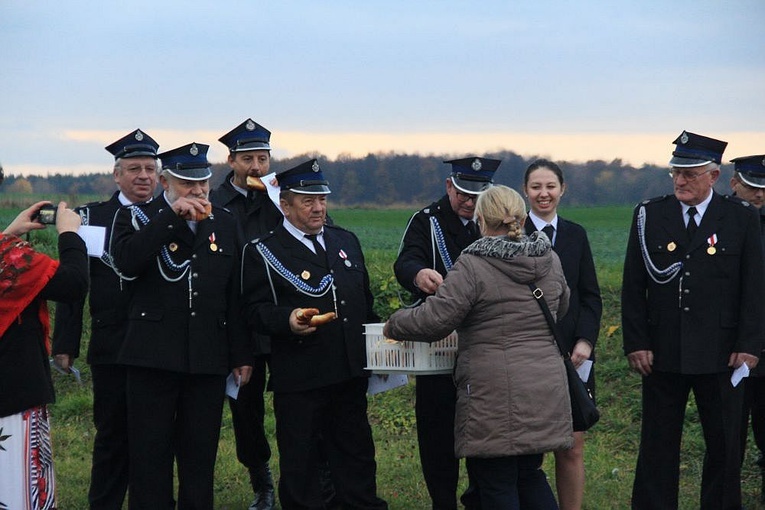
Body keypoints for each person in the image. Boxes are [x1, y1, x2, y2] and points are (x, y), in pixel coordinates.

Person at [385, 185, 572, 509]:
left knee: (496, 481)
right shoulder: (549, 258)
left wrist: (395, 323)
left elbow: (435, 321)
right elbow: (563, 305)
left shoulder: (474, 264)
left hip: (494, 393)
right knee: (529, 473)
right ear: (523, 216)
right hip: (544, 388)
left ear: (481, 220)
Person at [622, 131, 765, 509]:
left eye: (690, 174)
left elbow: (754, 289)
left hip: (722, 354)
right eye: (676, 173)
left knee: (724, 445)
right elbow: (634, 285)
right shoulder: (650, 214)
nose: (680, 181)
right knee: (657, 445)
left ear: (714, 176)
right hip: (663, 351)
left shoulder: (740, 217)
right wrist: (636, 342)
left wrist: (749, 346)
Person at [110, 142, 254, 509]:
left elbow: (235, 294)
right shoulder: (138, 218)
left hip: (206, 356)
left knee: (199, 455)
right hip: (151, 357)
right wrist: (172, 218)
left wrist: (241, 353)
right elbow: (127, 263)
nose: (198, 191)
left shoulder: (224, 221)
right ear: (164, 183)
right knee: (149, 454)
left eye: (203, 182)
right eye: (187, 183)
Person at [241, 159, 388, 510]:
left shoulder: (345, 242)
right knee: (302, 464)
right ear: (285, 205)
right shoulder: (263, 250)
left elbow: (363, 304)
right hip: (301, 378)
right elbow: (252, 311)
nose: (318, 207)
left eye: (322, 199)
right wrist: (287, 320)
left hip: (348, 376)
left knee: (356, 459)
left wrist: (382, 346)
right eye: (307, 201)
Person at [51, 128, 159, 510]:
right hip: (112, 341)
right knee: (112, 433)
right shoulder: (91, 218)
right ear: (117, 175)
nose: (143, 176)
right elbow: (73, 285)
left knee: (154, 436)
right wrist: (65, 344)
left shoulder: (171, 217)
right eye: (134, 168)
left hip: (160, 345)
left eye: (150, 168)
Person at [393, 156, 500, 510]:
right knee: (437, 430)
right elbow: (406, 259)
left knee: (483, 429)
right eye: (464, 195)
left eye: (477, 197)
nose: (470, 204)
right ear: (449, 187)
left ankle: (478, 497)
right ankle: (443, 500)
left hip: (483, 343)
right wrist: (418, 273)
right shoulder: (427, 221)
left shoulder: (494, 222)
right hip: (438, 340)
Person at [522, 158, 602, 510]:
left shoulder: (576, 235)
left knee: (572, 445)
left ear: (562, 189)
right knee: (528, 448)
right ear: (525, 191)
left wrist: (585, 341)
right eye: (536, 187)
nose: (544, 194)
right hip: (529, 354)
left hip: (573, 355)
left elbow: (590, 296)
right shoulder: (511, 234)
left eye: (550, 186)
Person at [0, 201, 89, 510]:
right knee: (15, 489)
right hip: (12, 395)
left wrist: (9, 233)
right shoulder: (10, 258)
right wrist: (69, 233)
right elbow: (73, 283)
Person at [211, 118, 280, 510]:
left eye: (263, 158)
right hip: (239, 320)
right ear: (232, 161)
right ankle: (261, 481)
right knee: (247, 408)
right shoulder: (218, 203)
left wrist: (280, 200)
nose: (257, 167)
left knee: (296, 401)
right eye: (248, 159)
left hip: (283, 317)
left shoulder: (280, 198)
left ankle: (311, 474)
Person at [730, 154, 765, 501]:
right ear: (735, 184)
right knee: (729, 442)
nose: (759, 196)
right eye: (752, 187)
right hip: (732, 353)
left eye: (763, 190)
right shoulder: (722, 223)